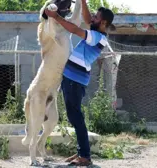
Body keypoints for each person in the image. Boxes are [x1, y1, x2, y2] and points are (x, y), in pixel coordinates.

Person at [45, 0, 115, 166]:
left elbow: (75, 29)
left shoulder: (98, 37)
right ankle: (81, 153)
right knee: (75, 117)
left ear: (103, 22)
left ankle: (84, 155)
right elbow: (86, 17)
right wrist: (83, 1)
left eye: (96, 17)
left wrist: (56, 17)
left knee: (76, 118)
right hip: (72, 80)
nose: (92, 18)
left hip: (75, 81)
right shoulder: (97, 32)